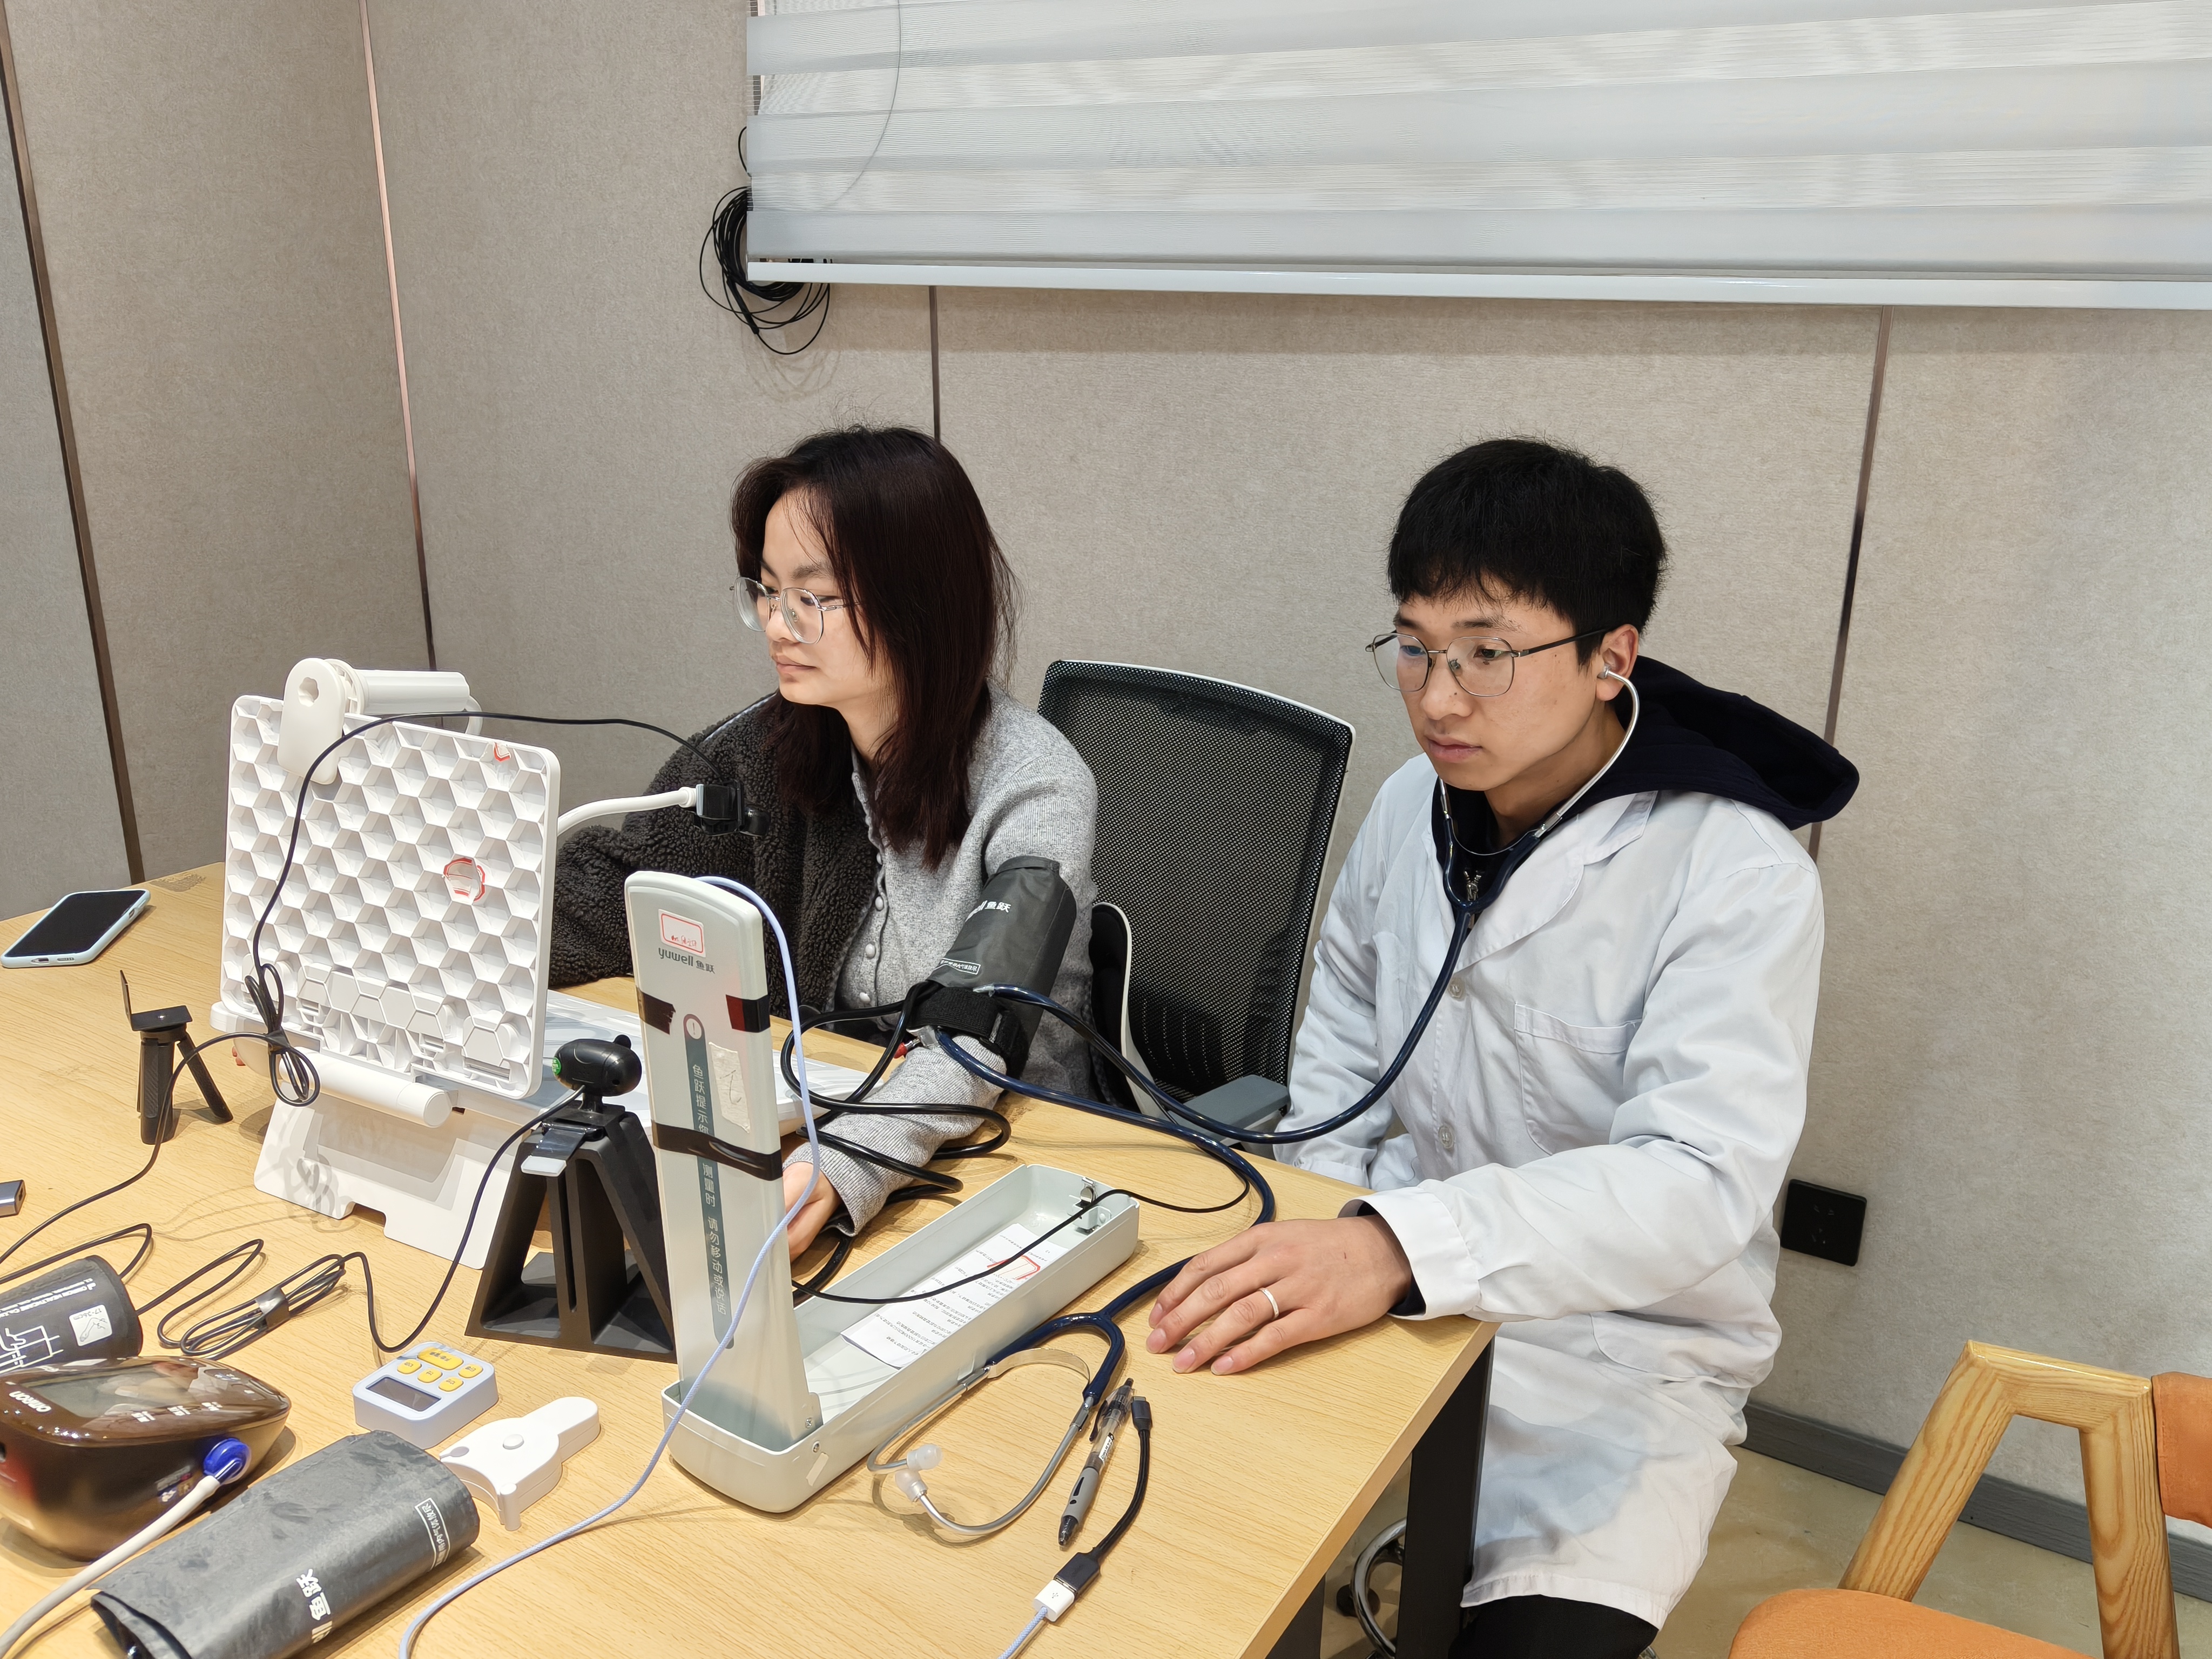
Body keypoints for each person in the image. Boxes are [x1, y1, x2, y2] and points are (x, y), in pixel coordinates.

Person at [1144, 439, 1857, 1655]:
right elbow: (1341, 1057)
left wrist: (1399, 1246)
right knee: (1171, 1539)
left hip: (1615, 1354)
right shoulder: (1406, 807)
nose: (1437, 698)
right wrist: (1332, 1226)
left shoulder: (1733, 872)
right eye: (1414, 647)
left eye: (1487, 653)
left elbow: (1696, 1183)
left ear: (1609, 657)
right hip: (1379, 1274)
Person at [550, 425, 1097, 1255]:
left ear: (920, 600)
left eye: (813, 597)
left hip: (1013, 1159)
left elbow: (977, 1032)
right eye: (768, 592)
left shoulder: (1038, 784)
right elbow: (609, 894)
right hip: (824, 1133)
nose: (778, 625)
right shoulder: (769, 749)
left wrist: (845, 1162)